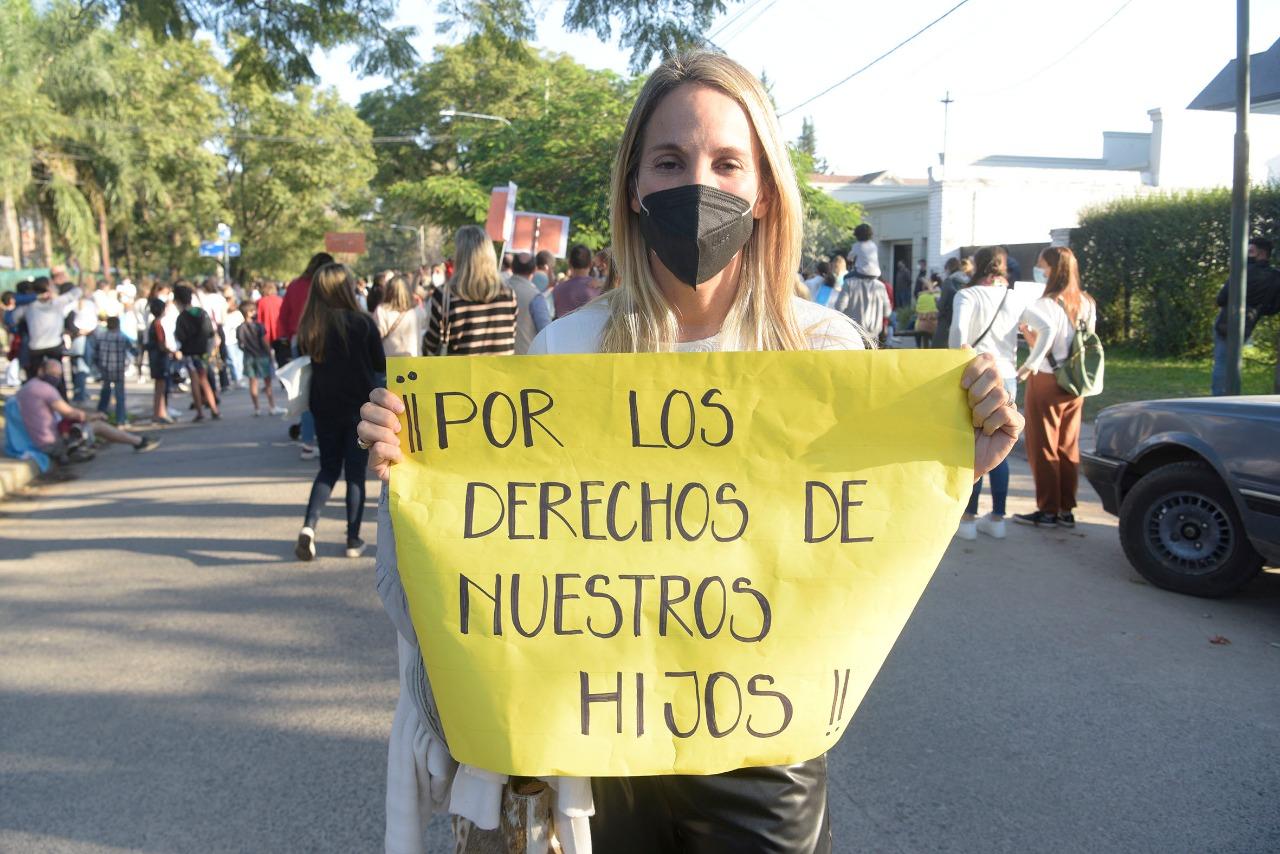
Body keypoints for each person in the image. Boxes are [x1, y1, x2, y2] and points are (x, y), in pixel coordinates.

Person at [357, 50, 1020, 853]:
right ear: (634, 188)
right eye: (669, 161)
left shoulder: (832, 354)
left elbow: (863, 549)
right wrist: (414, 476)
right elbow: (487, 556)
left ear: (766, 190)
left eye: (726, 161)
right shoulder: (567, 350)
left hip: (766, 750)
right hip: (590, 746)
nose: (697, 184)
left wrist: (954, 460)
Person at [294, 263, 385, 562]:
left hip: (324, 406)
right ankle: (352, 538)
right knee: (355, 475)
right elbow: (380, 364)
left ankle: (309, 528)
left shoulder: (310, 326)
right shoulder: (362, 323)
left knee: (328, 468)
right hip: (359, 407)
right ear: (346, 288)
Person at [1014, 247, 1097, 528]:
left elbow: (1045, 340)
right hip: (1076, 380)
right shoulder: (1087, 302)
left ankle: (1048, 509)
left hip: (1048, 378)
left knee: (1043, 446)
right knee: (1067, 445)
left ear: (1051, 269)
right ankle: (1066, 508)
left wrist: (1029, 345)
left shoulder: (1045, 303)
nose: (1039, 270)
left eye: (1041, 265)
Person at [949, 246, 1024, 540]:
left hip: (977, 375)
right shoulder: (1014, 297)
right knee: (1000, 448)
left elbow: (958, 332)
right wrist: (1031, 362)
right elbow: (1042, 326)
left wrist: (958, 361)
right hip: (1008, 375)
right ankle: (998, 517)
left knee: (974, 447)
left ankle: (967, 518)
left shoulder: (966, 295)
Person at [16, 356, 158, 462]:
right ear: (41, 371)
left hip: (38, 441)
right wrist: (95, 416)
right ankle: (138, 442)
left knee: (81, 427)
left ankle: (136, 441)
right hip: (52, 442)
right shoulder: (46, 390)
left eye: (58, 375)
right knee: (97, 425)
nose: (55, 378)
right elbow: (70, 413)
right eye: (53, 374)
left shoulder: (27, 388)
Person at [423, 226, 518, 356]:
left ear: (460, 256)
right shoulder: (508, 295)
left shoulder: (445, 296)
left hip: (461, 374)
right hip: (499, 374)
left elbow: (431, 344)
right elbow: (511, 336)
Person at [279, 253, 334, 460]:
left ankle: (308, 442)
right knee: (327, 392)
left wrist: (287, 337)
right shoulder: (325, 286)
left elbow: (283, 315)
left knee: (306, 393)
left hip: (299, 341)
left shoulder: (294, 285)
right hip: (325, 341)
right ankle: (326, 438)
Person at [1210, 236, 1280, 395]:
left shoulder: (1241, 271)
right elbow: (1273, 308)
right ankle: (1233, 395)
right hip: (1249, 322)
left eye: (1250, 251)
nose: (1247, 254)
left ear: (1261, 253)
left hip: (1226, 321)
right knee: (1234, 362)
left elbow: (1221, 299)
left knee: (1221, 362)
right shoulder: (1276, 277)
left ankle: (1220, 399)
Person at [13, 277, 79, 386]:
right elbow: (77, 292)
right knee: (57, 377)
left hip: (35, 346)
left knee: (35, 377)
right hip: (54, 345)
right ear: (48, 287)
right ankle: (60, 398)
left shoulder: (29, 305)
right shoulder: (57, 302)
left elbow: (14, 317)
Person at [173, 284, 220, 421]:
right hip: (203, 351)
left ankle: (200, 411)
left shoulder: (181, 317)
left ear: (178, 301)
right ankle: (214, 408)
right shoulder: (201, 312)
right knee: (204, 379)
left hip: (189, 352)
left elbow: (180, 336)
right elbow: (210, 331)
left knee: (194, 381)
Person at [236, 301, 283, 416]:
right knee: (267, 382)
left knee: (253, 382)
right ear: (249, 312)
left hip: (249, 357)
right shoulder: (259, 326)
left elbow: (240, 344)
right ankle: (272, 406)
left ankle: (257, 408)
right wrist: (270, 353)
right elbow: (264, 341)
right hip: (262, 355)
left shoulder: (240, 328)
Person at [832, 259, 891, 340]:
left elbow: (839, 307)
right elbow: (887, 312)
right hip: (873, 337)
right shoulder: (881, 286)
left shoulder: (849, 283)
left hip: (853, 334)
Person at [374, 274, 429, 359]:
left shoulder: (381, 311)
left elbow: (377, 337)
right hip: (414, 361)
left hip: (390, 363)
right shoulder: (418, 310)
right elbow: (424, 328)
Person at [508, 251, 552, 355]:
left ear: (512, 268)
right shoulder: (535, 296)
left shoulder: (497, 289)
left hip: (494, 359)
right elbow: (546, 333)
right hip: (524, 358)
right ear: (534, 269)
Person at [92, 316, 133, 424]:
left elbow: (95, 354)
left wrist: (98, 366)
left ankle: (101, 415)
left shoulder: (101, 336)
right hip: (118, 369)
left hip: (105, 369)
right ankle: (121, 419)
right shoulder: (122, 337)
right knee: (119, 396)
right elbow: (133, 350)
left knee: (105, 393)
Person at [143, 297, 174, 424]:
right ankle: (160, 412)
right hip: (160, 359)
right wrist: (171, 351)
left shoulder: (152, 324)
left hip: (154, 358)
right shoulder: (158, 325)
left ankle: (158, 412)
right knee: (161, 386)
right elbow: (161, 344)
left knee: (158, 386)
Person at [932, 256, 970, 349]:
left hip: (947, 322)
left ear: (948, 268)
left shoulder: (948, 282)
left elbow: (941, 305)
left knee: (939, 351)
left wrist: (936, 300)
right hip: (965, 321)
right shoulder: (968, 281)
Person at [552, 244, 601, 317]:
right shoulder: (599, 288)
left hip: (563, 327)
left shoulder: (557, 290)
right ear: (590, 264)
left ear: (569, 263)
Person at [256, 281, 286, 366]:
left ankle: (270, 377)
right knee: (281, 360)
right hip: (280, 332)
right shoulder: (280, 300)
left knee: (267, 360)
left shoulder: (260, 302)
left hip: (265, 334)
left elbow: (258, 319)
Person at [914, 275, 941, 345]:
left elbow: (917, 311)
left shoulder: (921, 297)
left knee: (917, 323)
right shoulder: (938, 295)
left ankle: (919, 346)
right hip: (934, 325)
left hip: (921, 326)